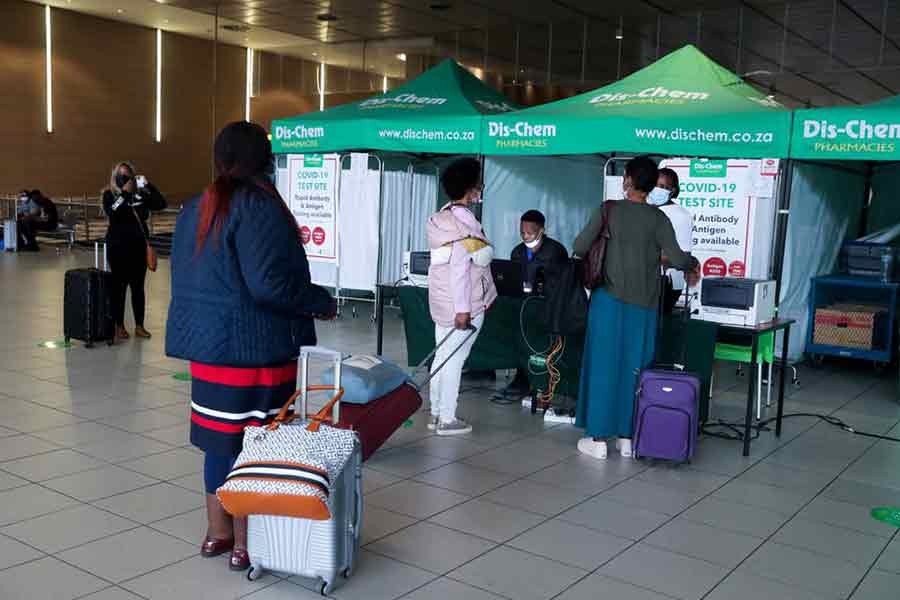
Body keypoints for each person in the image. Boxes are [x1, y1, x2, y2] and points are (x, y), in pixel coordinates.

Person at [165, 121, 335, 572]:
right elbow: (269, 285)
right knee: (258, 444)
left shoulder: (196, 206)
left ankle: (216, 534)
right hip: (255, 350)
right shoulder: (259, 205)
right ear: (264, 160)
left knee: (220, 444)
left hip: (209, 351)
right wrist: (320, 302)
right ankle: (247, 543)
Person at [573, 156, 699, 460]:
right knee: (636, 369)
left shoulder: (608, 210)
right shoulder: (659, 219)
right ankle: (628, 438)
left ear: (627, 180)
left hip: (608, 301)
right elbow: (679, 257)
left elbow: (578, 247)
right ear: (652, 184)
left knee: (604, 366)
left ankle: (598, 439)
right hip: (644, 305)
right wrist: (692, 265)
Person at [426, 157, 498, 436]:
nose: (481, 187)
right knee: (455, 359)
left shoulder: (442, 217)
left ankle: (435, 413)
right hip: (462, 303)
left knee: (441, 356)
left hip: (442, 301)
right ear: (471, 189)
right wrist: (464, 310)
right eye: (478, 182)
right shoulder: (466, 222)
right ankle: (447, 418)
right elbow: (461, 268)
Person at [499, 210, 568, 398]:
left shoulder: (556, 251)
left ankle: (537, 379)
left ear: (541, 231)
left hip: (546, 307)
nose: (525, 236)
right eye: (522, 232)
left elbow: (562, 283)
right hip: (523, 305)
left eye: (530, 233)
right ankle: (521, 377)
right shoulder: (518, 251)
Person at [102, 162, 167, 341]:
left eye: (129, 176)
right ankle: (119, 326)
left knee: (138, 288)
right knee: (119, 287)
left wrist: (148, 185)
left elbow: (161, 203)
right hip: (118, 247)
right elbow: (112, 212)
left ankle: (139, 325)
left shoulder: (140, 194)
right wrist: (124, 193)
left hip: (139, 247)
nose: (126, 180)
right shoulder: (110, 194)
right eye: (122, 176)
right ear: (115, 178)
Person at [653, 168, 694, 314]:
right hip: (643, 280)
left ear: (673, 190)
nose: (657, 190)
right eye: (654, 185)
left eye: (663, 187)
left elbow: (683, 257)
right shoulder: (647, 209)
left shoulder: (680, 215)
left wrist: (647, 255)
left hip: (666, 282)